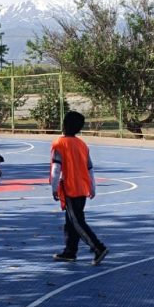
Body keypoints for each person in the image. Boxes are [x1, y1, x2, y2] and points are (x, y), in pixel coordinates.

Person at [51, 111, 108, 266]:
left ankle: (98, 247)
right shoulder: (82, 145)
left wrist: (54, 187)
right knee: (71, 222)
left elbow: (56, 168)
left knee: (77, 222)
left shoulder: (59, 144)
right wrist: (93, 186)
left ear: (64, 124)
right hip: (82, 187)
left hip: (70, 188)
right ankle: (70, 252)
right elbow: (90, 168)